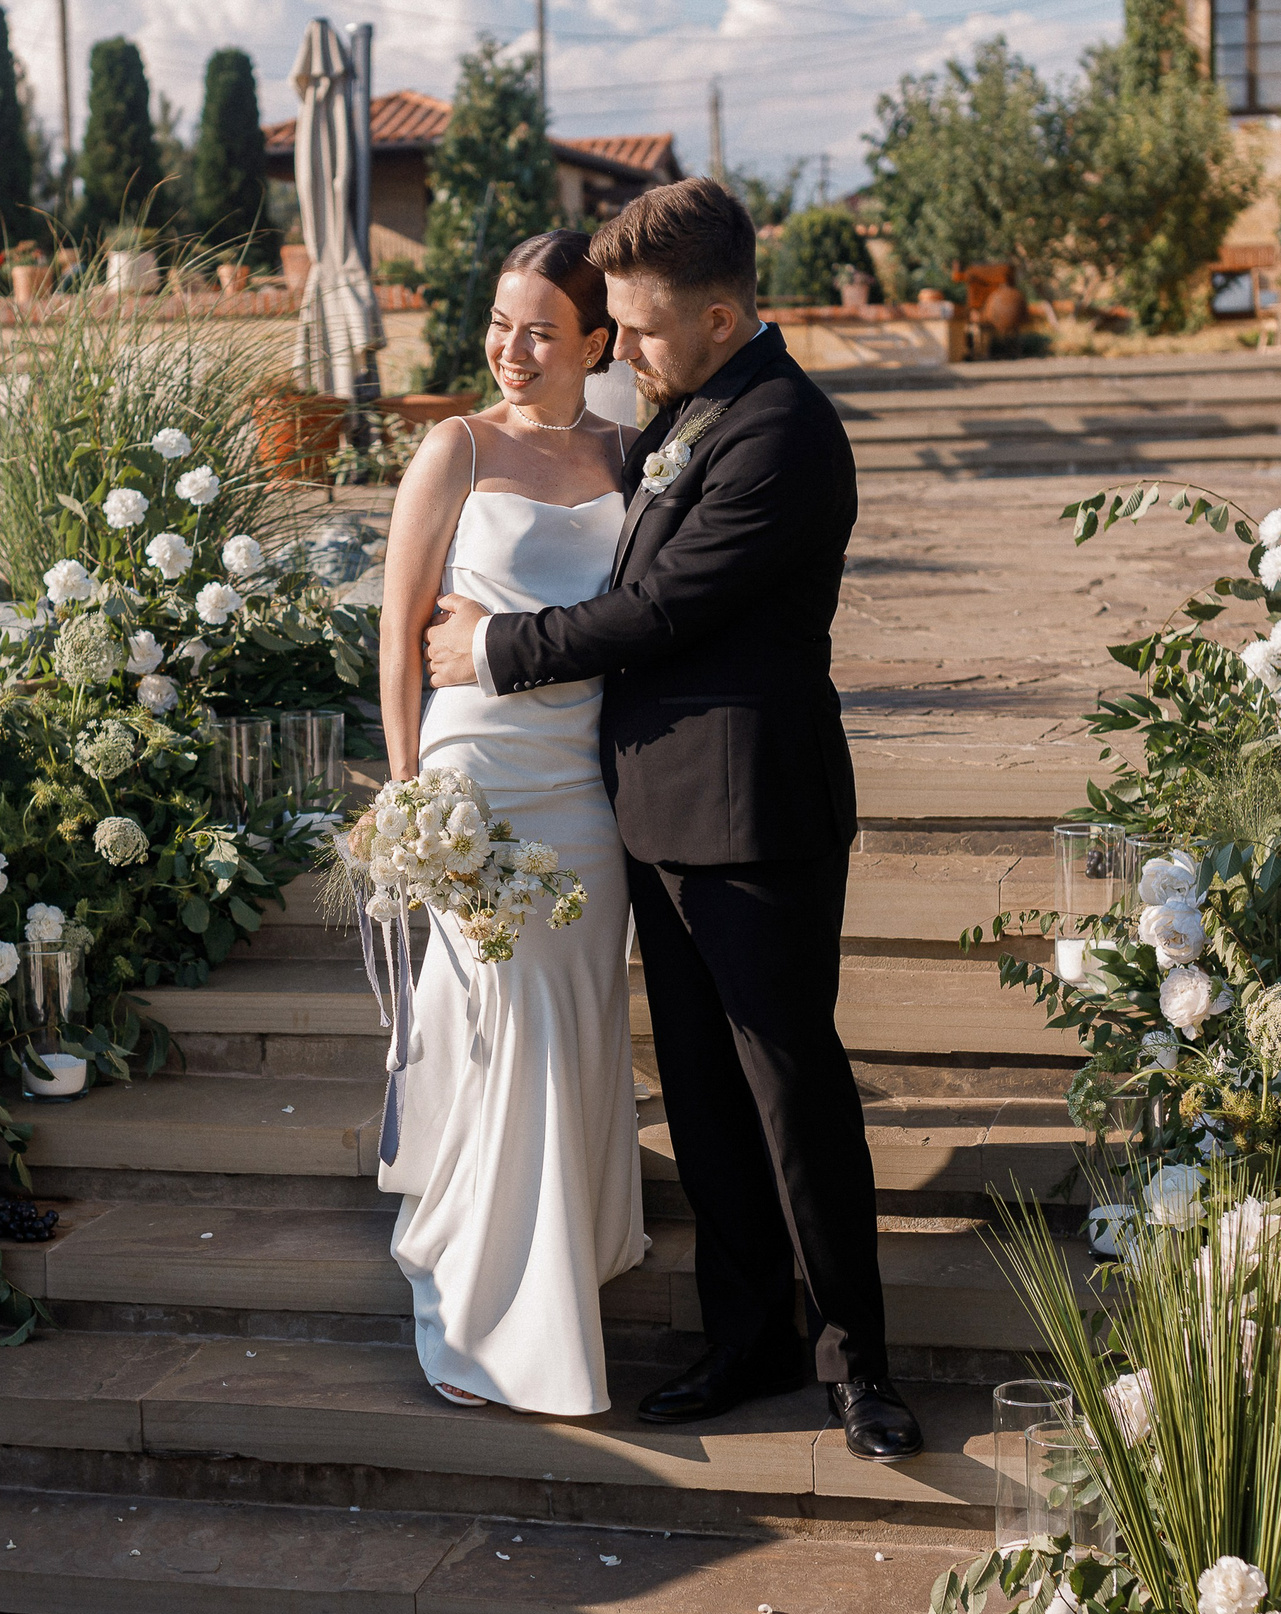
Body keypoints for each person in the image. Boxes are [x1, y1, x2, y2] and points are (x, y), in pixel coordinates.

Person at [421, 179, 921, 1462]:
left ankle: (857, 1365)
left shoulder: (785, 433)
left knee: (791, 1094)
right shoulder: (681, 410)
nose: (620, 352)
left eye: (637, 331)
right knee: (701, 1101)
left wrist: (494, 648)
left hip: (756, 810)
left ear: (716, 312)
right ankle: (744, 1334)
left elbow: (663, 611)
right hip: (646, 813)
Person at [375, 229, 646, 1415]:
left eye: (540, 329)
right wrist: (407, 791)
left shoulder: (637, 455)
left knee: (574, 1015)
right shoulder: (457, 446)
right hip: (472, 778)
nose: (511, 348)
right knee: (504, 1015)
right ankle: (494, 1303)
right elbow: (396, 635)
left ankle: (571, 1252)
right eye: (499, 322)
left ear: (598, 340)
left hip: (586, 785)